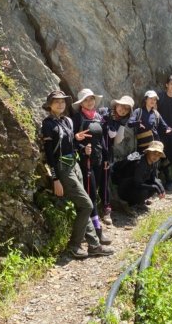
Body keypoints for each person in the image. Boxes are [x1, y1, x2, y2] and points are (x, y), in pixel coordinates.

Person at [40, 90, 113, 259]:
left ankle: (94, 245)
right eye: (56, 101)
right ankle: (74, 245)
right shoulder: (48, 124)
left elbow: (70, 144)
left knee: (84, 205)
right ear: (50, 105)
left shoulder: (67, 121)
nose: (60, 104)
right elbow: (49, 153)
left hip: (74, 164)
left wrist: (80, 145)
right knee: (87, 204)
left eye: (63, 101)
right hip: (62, 168)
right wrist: (55, 178)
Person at [71, 88, 111, 245]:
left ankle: (95, 230)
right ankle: (97, 232)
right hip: (85, 162)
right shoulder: (77, 118)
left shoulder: (98, 117)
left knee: (96, 193)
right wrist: (82, 149)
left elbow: (102, 140)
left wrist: (106, 158)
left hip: (98, 161)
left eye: (92, 99)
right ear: (81, 103)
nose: (90, 102)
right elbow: (72, 140)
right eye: (86, 100)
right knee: (91, 196)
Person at [98, 95, 135, 224]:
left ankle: (106, 209)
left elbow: (117, 141)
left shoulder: (120, 122)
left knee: (105, 181)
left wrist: (121, 125)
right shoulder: (103, 112)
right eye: (121, 106)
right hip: (95, 151)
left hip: (107, 154)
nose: (122, 110)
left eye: (126, 109)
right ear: (116, 105)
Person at [117, 140, 166, 208]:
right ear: (148, 152)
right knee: (145, 191)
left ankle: (140, 202)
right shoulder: (140, 163)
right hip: (125, 190)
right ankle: (133, 204)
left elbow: (153, 178)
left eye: (159, 154)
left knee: (158, 182)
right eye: (154, 153)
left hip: (136, 186)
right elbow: (137, 184)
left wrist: (161, 188)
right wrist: (155, 187)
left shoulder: (153, 162)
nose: (156, 156)